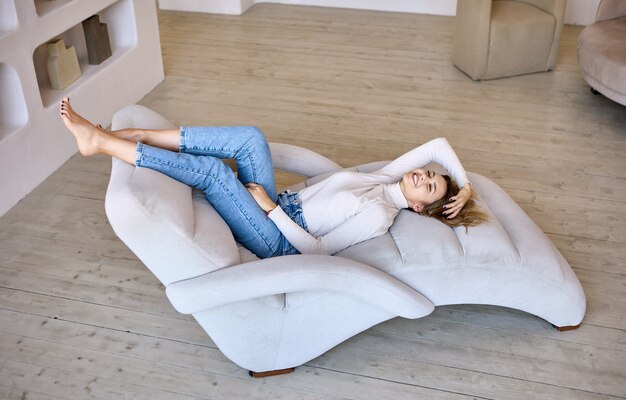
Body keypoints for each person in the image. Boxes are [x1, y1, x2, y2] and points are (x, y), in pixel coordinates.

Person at [60, 97, 486, 259]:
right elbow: (438, 143)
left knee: (211, 173)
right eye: (429, 174)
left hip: (278, 239)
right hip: (282, 206)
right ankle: (137, 136)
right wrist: (464, 185)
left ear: (417, 206)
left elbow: (317, 250)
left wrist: (267, 208)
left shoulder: (381, 215)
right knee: (251, 139)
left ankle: (102, 143)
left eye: (429, 185)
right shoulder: (386, 178)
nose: (424, 174)